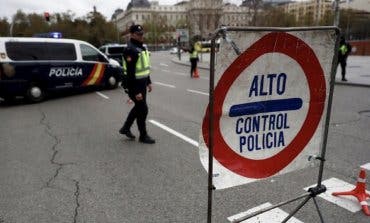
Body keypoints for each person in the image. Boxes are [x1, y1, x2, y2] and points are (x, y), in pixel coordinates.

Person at [119, 24, 155, 144]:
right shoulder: (130, 50)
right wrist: (135, 91)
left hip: (142, 83)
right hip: (134, 85)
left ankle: (125, 128)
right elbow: (130, 74)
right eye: (139, 34)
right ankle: (143, 135)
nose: (141, 36)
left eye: (142, 34)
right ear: (132, 35)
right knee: (143, 109)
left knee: (139, 108)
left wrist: (148, 82)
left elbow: (145, 68)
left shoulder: (141, 48)